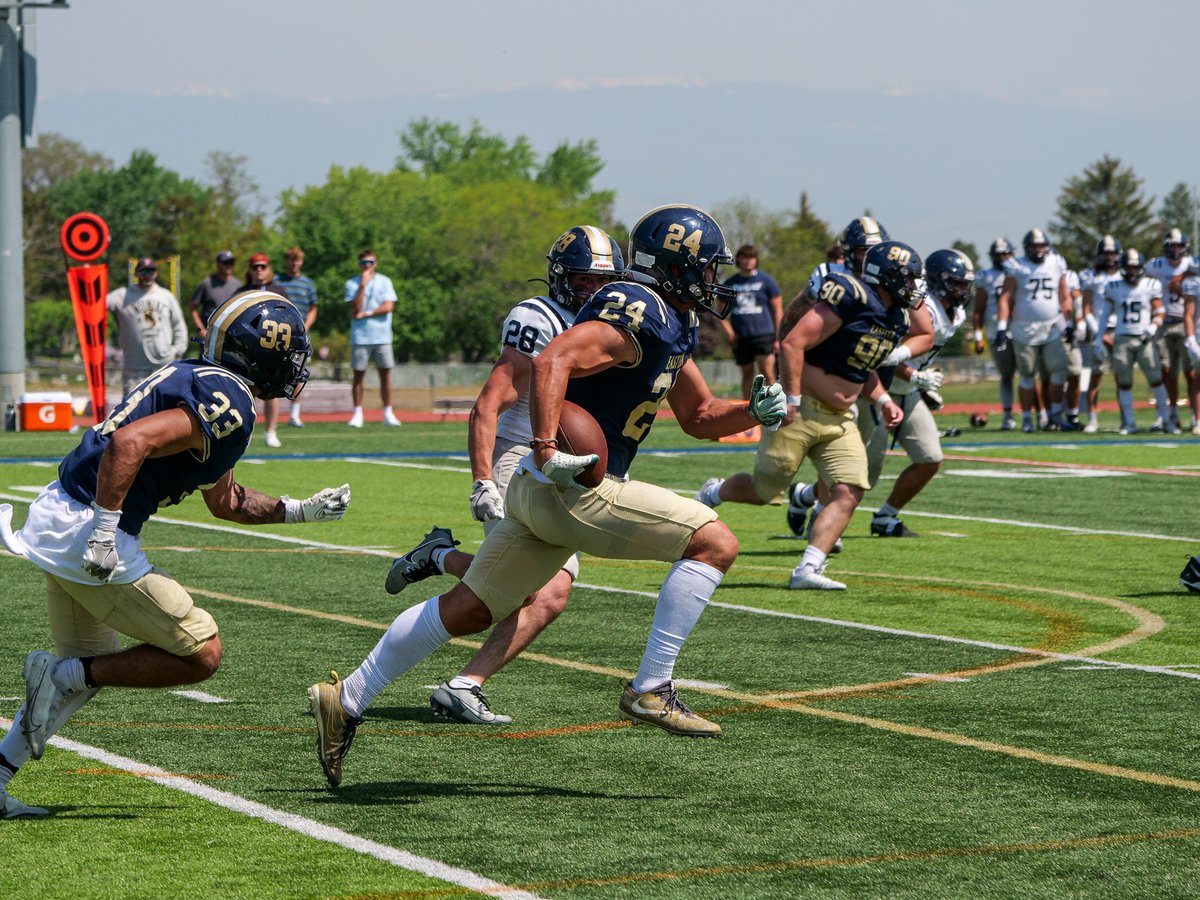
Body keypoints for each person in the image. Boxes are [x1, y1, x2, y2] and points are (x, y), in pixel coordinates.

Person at [306, 204, 788, 788]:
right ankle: (651, 687)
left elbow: (700, 414)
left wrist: (751, 412)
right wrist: (545, 448)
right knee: (714, 542)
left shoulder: (671, 320)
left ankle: (346, 698)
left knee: (470, 607)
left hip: (543, 494)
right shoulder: (640, 307)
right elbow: (552, 359)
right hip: (572, 483)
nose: (714, 280)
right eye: (707, 267)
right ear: (676, 265)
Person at [0, 291, 350, 818]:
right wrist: (104, 533)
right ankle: (61, 676)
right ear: (260, 355)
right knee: (201, 652)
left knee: (88, 666)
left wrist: (300, 511)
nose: (293, 366)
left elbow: (227, 501)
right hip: (89, 532)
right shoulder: (228, 399)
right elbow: (129, 444)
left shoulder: (200, 378)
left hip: (61, 515)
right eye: (287, 354)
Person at [384, 225, 623, 725]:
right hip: (521, 454)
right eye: (582, 279)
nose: (591, 291)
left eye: (601, 281)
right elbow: (488, 405)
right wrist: (483, 480)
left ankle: (440, 564)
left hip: (564, 462)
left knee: (536, 591)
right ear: (560, 277)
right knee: (543, 591)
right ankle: (458, 682)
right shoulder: (538, 318)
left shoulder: (613, 323)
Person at [693, 240, 920, 590]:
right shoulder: (851, 295)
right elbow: (793, 342)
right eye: (907, 278)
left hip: (840, 418)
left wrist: (884, 400)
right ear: (886, 276)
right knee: (764, 491)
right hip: (801, 409)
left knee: (850, 490)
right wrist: (792, 398)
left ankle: (808, 568)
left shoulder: (895, 317)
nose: (912, 285)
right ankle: (716, 491)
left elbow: (863, 369)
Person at [865, 249, 974, 537]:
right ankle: (808, 498)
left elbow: (921, 356)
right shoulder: (922, 306)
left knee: (929, 458)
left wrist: (920, 383)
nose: (962, 290)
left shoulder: (956, 313)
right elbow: (885, 354)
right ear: (938, 280)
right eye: (956, 283)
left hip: (909, 392)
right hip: (881, 389)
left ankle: (886, 517)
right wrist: (915, 376)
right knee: (864, 473)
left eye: (964, 284)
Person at [996, 229, 1078, 432]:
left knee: (1058, 371)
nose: (1038, 250)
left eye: (1041, 246)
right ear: (1027, 248)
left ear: (1047, 247)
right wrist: (1001, 327)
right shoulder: (1017, 265)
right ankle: (1027, 418)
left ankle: (1055, 415)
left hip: (1052, 326)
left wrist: (1068, 324)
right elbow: (1006, 297)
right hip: (1023, 328)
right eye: (1034, 246)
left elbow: (1064, 295)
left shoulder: (1056, 262)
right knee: (1027, 375)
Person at [1095, 249, 1169, 434]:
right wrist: (1098, 339)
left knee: (1156, 380)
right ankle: (1129, 422)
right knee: (1124, 382)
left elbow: (1160, 311)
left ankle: (1166, 420)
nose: (1132, 271)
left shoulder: (1150, 285)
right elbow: (1104, 316)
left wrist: (1153, 327)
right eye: (1129, 267)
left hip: (1144, 339)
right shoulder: (1114, 287)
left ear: (1141, 268)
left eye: (1135, 267)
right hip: (1122, 338)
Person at [106, 257, 189, 397]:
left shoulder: (166, 296)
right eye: (143, 271)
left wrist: (178, 350)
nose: (147, 275)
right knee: (132, 407)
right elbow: (97, 305)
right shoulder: (122, 295)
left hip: (164, 366)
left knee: (164, 407)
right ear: (136, 273)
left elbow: (179, 325)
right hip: (135, 369)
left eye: (150, 271)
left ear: (156, 273)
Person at [236, 254, 292, 447]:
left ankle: (271, 431)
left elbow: (288, 318)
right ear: (249, 270)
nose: (259, 270)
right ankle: (243, 432)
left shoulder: (278, 291)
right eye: (255, 267)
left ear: (269, 269)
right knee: (244, 391)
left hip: (272, 349)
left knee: (272, 390)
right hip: (248, 349)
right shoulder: (241, 292)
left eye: (262, 266)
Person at [1145, 228, 1194, 434]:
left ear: (1185, 247)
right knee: (1166, 371)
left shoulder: (1192, 265)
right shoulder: (1155, 266)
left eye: (1178, 246)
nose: (1175, 250)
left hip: (1187, 323)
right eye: (1171, 246)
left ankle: (1195, 415)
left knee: (1191, 372)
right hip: (1163, 324)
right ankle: (1170, 413)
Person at [345, 249, 400, 428]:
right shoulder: (351, 283)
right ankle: (357, 414)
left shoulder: (385, 281)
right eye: (364, 263)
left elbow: (388, 306)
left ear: (376, 263)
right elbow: (355, 307)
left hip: (382, 336)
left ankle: (388, 413)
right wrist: (362, 285)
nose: (367, 266)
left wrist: (367, 313)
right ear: (359, 264)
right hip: (360, 338)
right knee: (358, 375)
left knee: (385, 375)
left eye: (371, 262)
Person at [720, 245, 783, 399]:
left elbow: (778, 311)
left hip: (764, 335)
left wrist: (778, 337)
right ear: (738, 260)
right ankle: (748, 409)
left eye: (751, 257)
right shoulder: (730, 283)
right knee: (747, 375)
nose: (748, 261)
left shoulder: (766, 281)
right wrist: (729, 333)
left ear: (756, 260)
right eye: (744, 257)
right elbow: (720, 313)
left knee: (768, 373)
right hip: (741, 337)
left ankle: (772, 407)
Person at [1079, 235, 1123, 433]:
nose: (1109, 257)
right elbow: (1086, 308)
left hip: (1121, 331)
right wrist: (1099, 333)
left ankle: (1126, 417)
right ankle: (1092, 419)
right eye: (1106, 253)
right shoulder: (1091, 276)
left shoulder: (1125, 275)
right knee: (1095, 376)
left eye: (1112, 253)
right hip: (1099, 331)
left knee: (1122, 378)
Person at [972, 238, 1017, 429]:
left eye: (1005, 254)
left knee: (1030, 375)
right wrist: (978, 337)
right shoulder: (986, 276)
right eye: (998, 255)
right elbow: (978, 309)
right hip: (995, 331)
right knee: (1006, 375)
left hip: (1021, 329)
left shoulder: (1021, 272)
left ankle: (1039, 416)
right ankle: (1008, 416)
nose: (1002, 258)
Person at [274, 247, 319, 428]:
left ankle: (294, 414)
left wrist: (305, 326)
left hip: (300, 335)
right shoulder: (277, 281)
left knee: (297, 373)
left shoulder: (308, 283)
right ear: (286, 261)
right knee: (274, 371)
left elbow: (313, 308)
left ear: (301, 261)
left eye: (297, 259)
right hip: (280, 332)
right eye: (291, 259)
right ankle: (273, 415)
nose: (294, 263)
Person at [189, 251, 242, 345]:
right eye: (226, 262)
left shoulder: (238, 285)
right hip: (210, 339)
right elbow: (192, 308)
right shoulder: (206, 284)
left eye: (231, 262)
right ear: (218, 264)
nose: (229, 265)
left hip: (232, 340)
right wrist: (200, 330)